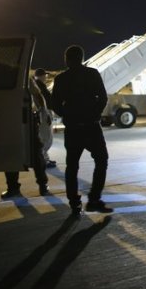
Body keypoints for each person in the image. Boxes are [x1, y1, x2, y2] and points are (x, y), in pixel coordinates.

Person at [52, 45, 112, 216]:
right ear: (82, 58)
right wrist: (95, 113)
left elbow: (55, 104)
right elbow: (103, 97)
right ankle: (94, 199)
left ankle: (74, 203)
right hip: (91, 126)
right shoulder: (92, 74)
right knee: (101, 160)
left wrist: (67, 115)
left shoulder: (61, 79)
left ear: (67, 60)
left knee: (72, 166)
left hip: (73, 129)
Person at [1, 79, 50, 198]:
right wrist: (43, 112)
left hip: (10, 118)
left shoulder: (4, 78)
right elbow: (38, 95)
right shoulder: (24, 76)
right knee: (35, 152)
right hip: (28, 119)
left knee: (11, 151)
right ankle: (42, 185)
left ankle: (13, 187)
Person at [33, 68, 56, 168]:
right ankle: (43, 160)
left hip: (44, 113)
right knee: (46, 138)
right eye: (45, 75)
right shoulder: (39, 86)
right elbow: (41, 102)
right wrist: (45, 114)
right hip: (44, 113)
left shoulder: (38, 85)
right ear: (41, 76)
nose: (46, 77)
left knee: (46, 137)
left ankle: (45, 158)